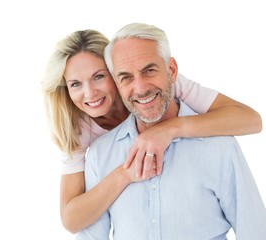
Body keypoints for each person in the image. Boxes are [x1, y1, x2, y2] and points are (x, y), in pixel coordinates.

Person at [41, 29, 263, 234]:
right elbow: (72, 220)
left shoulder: (167, 84)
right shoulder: (83, 137)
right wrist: (125, 173)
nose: (89, 93)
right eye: (75, 84)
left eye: (98, 76)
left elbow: (251, 120)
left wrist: (168, 130)